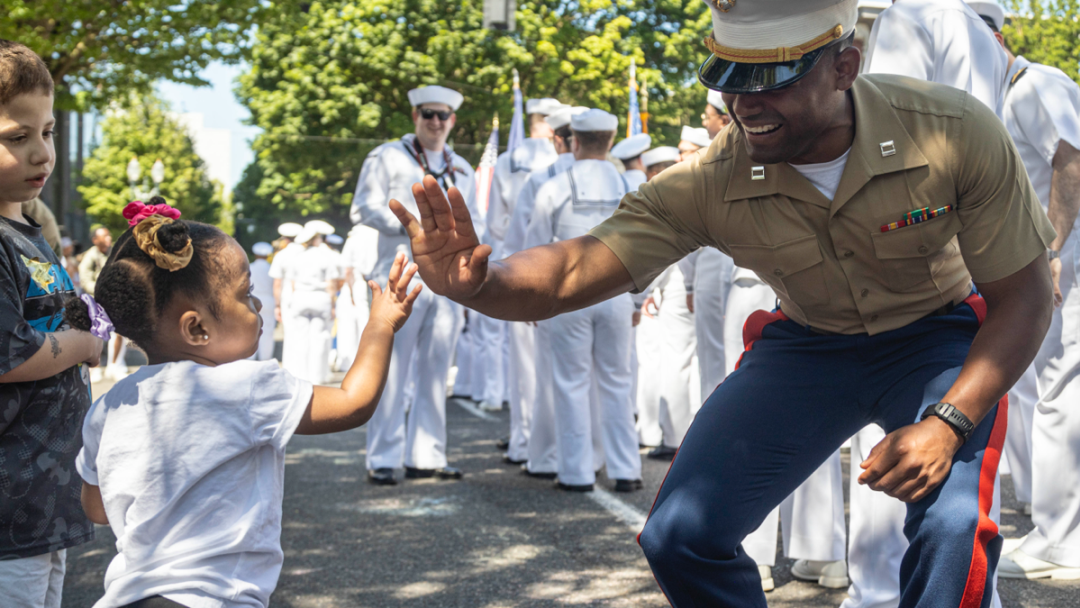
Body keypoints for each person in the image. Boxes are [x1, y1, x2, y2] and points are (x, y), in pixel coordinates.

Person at [388, 0, 1057, 604]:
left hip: (934, 340)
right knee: (680, 534)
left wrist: (945, 421)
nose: (745, 103)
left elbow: (1024, 297)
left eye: (774, 80)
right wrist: (480, 283)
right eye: (729, 77)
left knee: (952, 526)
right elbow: (576, 269)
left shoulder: (950, 131)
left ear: (845, 65)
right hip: (810, 347)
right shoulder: (714, 176)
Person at [69, 198, 420, 608]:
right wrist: (381, 324)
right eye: (245, 293)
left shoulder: (109, 407)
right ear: (196, 328)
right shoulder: (247, 386)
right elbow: (353, 402)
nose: (256, 305)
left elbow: (96, 508)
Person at [0, 39, 102, 608]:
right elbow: (9, 353)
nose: (42, 153)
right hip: (8, 513)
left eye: (49, 132)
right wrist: (81, 341)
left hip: (43, 502)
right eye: (17, 138)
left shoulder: (29, 231)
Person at [982, 7, 1080, 581]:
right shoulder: (1011, 94)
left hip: (1064, 261)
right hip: (1052, 261)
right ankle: (1059, 528)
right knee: (1050, 390)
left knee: (1061, 392)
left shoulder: (1035, 84)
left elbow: (1071, 162)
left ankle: (1063, 536)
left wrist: (1049, 250)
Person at [351, 85, 479, 485]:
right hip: (400, 270)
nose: (435, 122)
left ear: (453, 120)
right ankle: (384, 457)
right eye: (428, 114)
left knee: (437, 367)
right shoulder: (388, 156)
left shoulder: (463, 168)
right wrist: (413, 225)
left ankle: (428, 454)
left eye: (443, 116)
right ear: (415, 116)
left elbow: (476, 221)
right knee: (391, 367)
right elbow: (363, 207)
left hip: (446, 278)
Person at [522, 108, 642, 493]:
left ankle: (576, 473)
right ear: (609, 142)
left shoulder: (554, 187)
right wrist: (640, 301)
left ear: (573, 141)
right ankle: (626, 470)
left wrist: (535, 300)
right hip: (617, 293)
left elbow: (535, 248)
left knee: (571, 382)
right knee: (617, 382)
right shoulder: (631, 186)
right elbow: (648, 247)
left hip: (568, 296)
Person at [503, 105, 587, 474]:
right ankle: (593, 456)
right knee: (599, 379)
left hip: (547, 288)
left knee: (539, 375)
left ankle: (537, 453)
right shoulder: (612, 178)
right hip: (601, 289)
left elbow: (522, 241)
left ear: (557, 139)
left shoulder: (542, 181)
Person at [283, 220, 338, 385]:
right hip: (320, 298)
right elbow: (331, 284)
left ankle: (301, 377)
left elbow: (292, 283)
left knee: (300, 338)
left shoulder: (297, 257)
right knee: (319, 338)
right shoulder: (326, 257)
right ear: (317, 239)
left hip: (300, 297)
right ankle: (317, 377)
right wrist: (333, 304)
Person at [80, 225, 125, 381]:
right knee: (97, 333)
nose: (108, 239)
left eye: (108, 236)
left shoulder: (115, 252)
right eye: (104, 236)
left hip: (115, 299)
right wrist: (102, 290)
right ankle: (96, 368)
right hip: (96, 300)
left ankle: (114, 365)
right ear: (95, 240)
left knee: (119, 332)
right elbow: (85, 280)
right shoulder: (90, 256)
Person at [338, 224, 379, 371]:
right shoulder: (379, 234)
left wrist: (350, 291)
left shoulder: (354, 238)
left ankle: (365, 360)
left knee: (363, 322)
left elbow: (347, 269)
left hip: (360, 283)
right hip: (380, 282)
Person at [250, 242, 276, 361]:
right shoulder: (272, 268)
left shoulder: (249, 267)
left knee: (251, 330)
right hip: (269, 300)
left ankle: (250, 357)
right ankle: (265, 359)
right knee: (267, 331)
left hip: (252, 299)